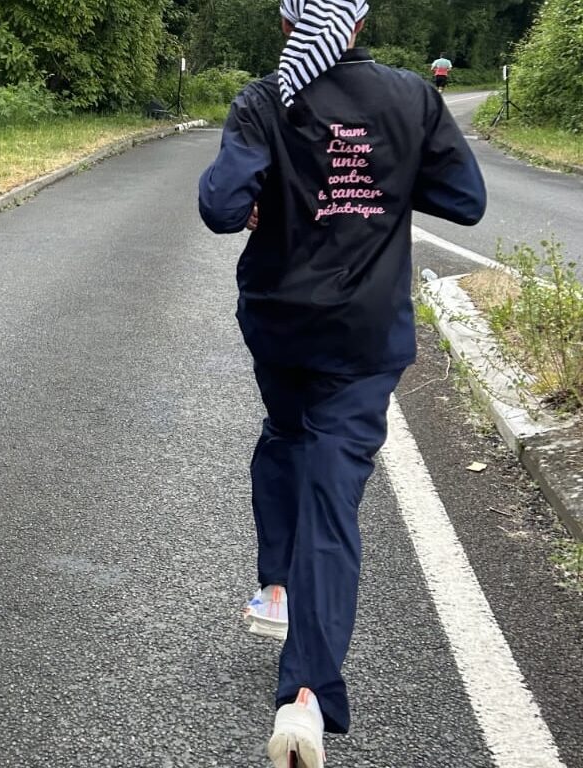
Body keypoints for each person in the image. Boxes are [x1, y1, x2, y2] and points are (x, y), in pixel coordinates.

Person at [196, 0, 486, 765]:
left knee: (284, 432)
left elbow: (220, 205)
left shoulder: (265, 99)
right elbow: (465, 199)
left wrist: (273, 193)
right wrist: (383, 181)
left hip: (281, 325)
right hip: (365, 337)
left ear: (291, 25)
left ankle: (276, 590)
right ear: (356, 23)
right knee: (334, 498)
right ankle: (306, 697)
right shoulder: (411, 95)